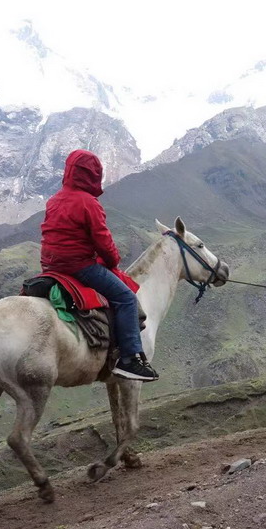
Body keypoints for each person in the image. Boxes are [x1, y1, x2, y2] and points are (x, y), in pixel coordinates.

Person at [40, 149, 158, 382]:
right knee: (125, 297)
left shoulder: (54, 200)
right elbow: (102, 240)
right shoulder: (88, 203)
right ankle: (129, 359)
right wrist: (112, 261)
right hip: (79, 266)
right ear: (92, 174)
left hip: (51, 267)